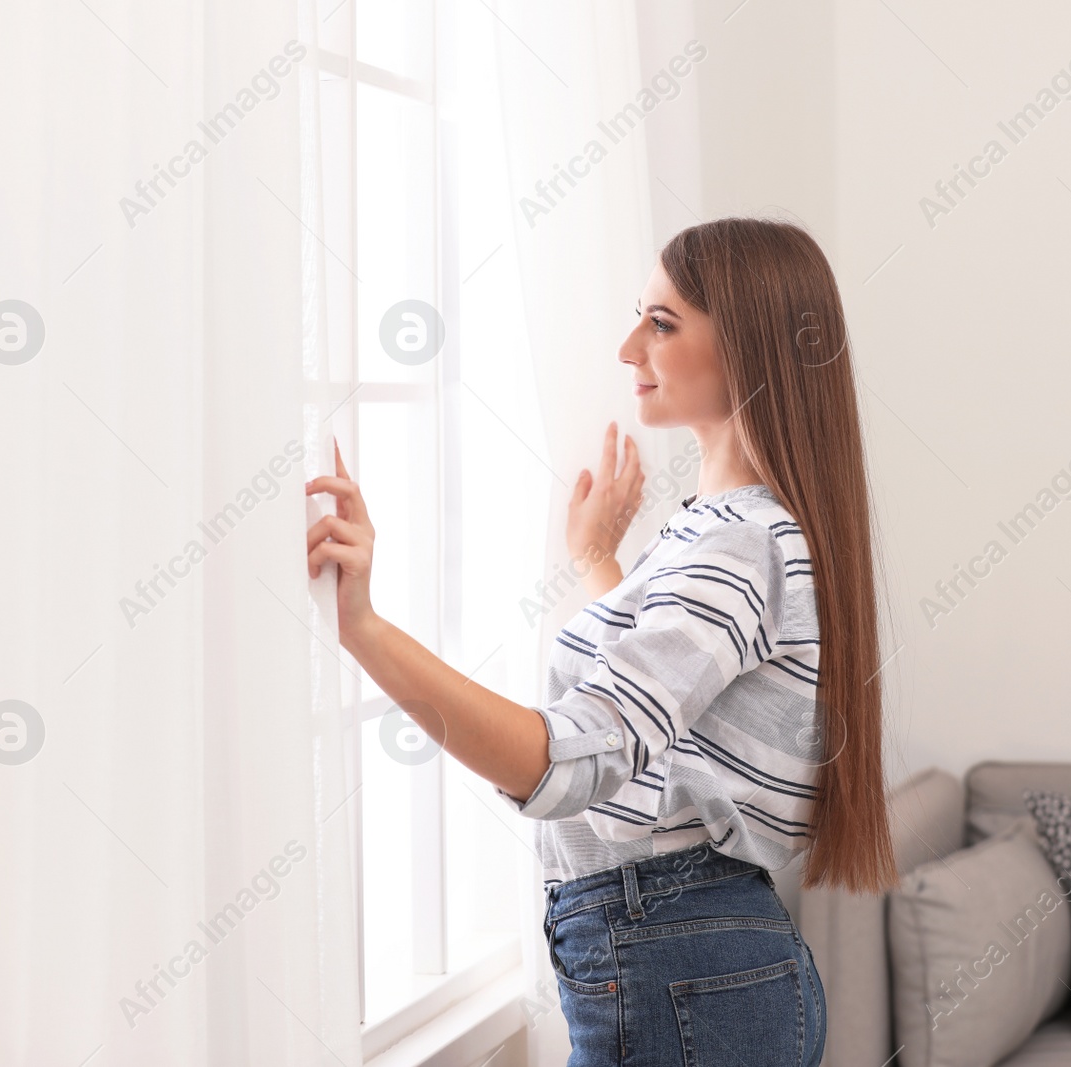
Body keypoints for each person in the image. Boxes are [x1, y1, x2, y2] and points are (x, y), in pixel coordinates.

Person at [305, 216, 897, 1066]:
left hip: (675, 962)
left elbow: (573, 761)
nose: (628, 348)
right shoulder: (731, 531)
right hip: (701, 962)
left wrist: (363, 626)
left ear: (750, 347)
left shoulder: (740, 543)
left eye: (661, 323)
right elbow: (674, 696)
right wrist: (596, 562)